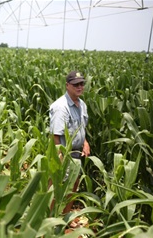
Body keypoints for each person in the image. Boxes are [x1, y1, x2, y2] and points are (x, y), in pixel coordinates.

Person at [49, 70, 91, 214]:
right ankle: (49, 217)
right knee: (57, 186)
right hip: (64, 153)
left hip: (76, 155)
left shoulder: (82, 105)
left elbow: (81, 127)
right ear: (67, 85)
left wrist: (85, 142)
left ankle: (65, 217)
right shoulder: (61, 107)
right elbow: (56, 135)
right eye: (75, 84)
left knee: (73, 185)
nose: (79, 87)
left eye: (81, 84)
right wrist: (59, 157)